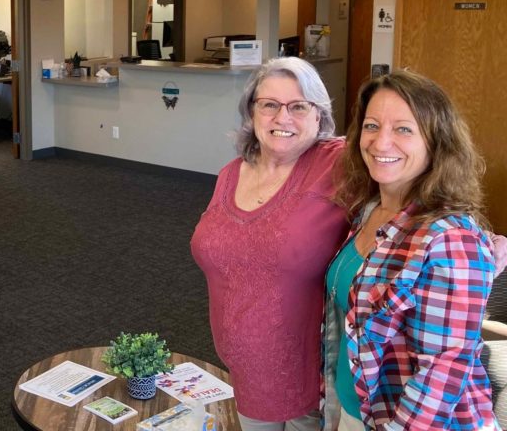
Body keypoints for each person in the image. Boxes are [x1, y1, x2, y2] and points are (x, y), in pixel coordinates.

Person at [325, 71, 500, 430]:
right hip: (354, 405)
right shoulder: (370, 209)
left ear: (436, 142)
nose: (380, 142)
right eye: (372, 126)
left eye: (403, 129)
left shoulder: (450, 240)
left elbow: (442, 371)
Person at [191, 56, 348, 430]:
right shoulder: (232, 174)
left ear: (319, 115)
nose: (283, 118)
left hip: (310, 382)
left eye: (298, 106)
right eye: (270, 105)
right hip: (245, 372)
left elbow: (410, 180)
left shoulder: (339, 165)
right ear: (252, 112)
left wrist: (465, 233)